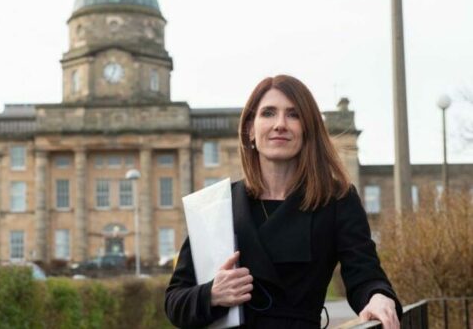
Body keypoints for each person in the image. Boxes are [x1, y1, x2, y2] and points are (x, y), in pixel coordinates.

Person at [165, 75, 402, 328]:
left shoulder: (336, 200)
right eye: (268, 113)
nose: (280, 124)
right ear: (250, 130)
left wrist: (378, 297)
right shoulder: (217, 204)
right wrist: (211, 294)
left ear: (307, 129)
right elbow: (175, 301)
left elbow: (364, 273)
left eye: (293, 115)